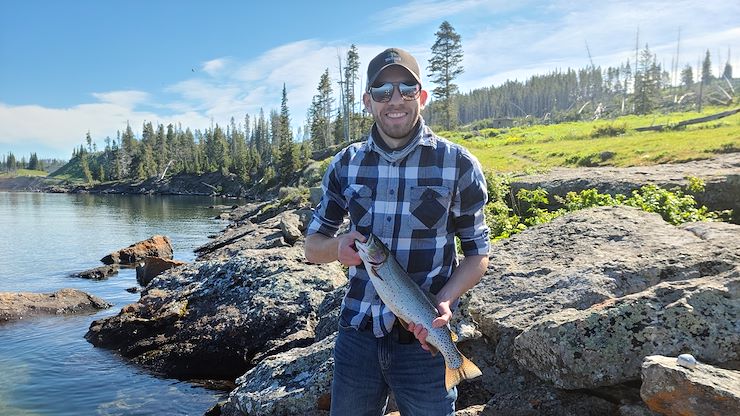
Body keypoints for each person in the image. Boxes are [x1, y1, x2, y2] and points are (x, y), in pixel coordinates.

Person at [304, 47, 490, 416]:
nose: (395, 100)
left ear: (421, 96)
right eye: (383, 91)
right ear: (367, 101)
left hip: (424, 342)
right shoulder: (345, 164)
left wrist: (445, 303)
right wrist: (338, 248)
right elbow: (312, 247)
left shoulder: (458, 165)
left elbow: (477, 255)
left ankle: (457, 365)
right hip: (358, 335)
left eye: (407, 88)